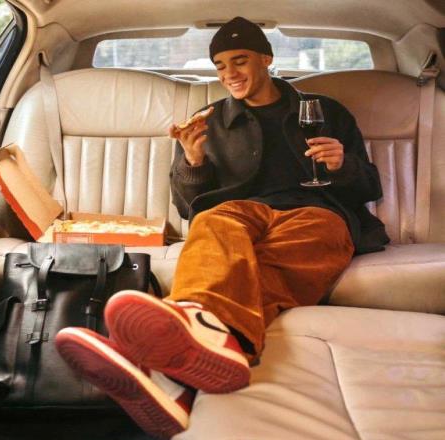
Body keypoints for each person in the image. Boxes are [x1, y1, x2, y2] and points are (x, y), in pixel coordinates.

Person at [55, 16, 389, 439]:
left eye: (240, 60)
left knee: (300, 243)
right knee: (213, 220)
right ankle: (212, 337)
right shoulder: (206, 121)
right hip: (240, 212)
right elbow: (187, 208)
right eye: (220, 65)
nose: (229, 73)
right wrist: (194, 162)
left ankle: (169, 372)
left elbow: (370, 186)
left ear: (266, 58)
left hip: (315, 213)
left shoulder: (325, 111)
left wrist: (342, 165)